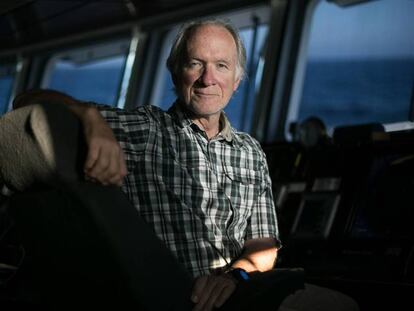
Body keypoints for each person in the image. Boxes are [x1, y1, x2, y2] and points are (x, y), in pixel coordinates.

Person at [14, 19, 358, 311]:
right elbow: (27, 102)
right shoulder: (145, 129)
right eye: (196, 63)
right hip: (176, 296)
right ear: (176, 73)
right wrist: (89, 116)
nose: (208, 78)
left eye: (221, 66)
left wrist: (233, 277)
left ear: (236, 82)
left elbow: (261, 246)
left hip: (241, 286)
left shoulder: (251, 152)